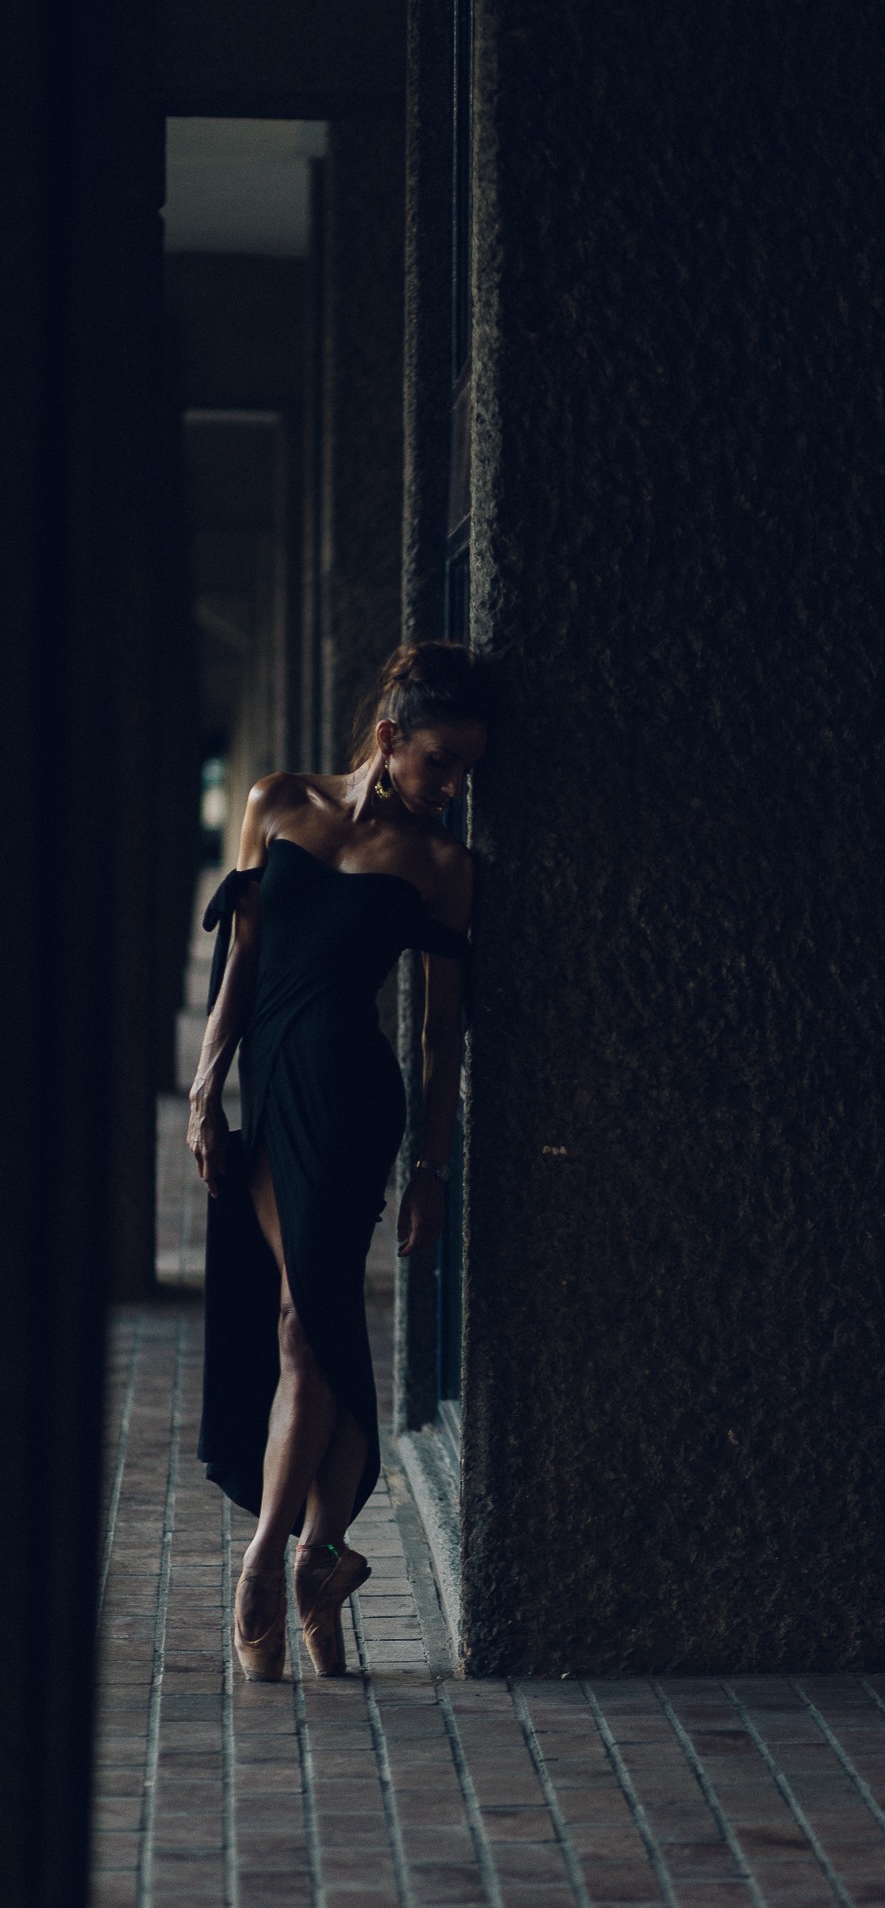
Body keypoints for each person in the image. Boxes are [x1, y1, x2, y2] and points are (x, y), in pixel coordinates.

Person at [187, 640, 489, 1681]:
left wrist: (434, 1167)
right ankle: (322, 1561)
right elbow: (242, 955)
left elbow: (442, 1036)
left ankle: (266, 1561)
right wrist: (204, 1086)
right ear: (389, 737)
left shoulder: (444, 867)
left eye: (464, 773)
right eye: (441, 763)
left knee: (306, 1333)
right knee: (308, 1332)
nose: (452, 788)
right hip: (268, 1094)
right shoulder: (277, 801)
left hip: (354, 1107)